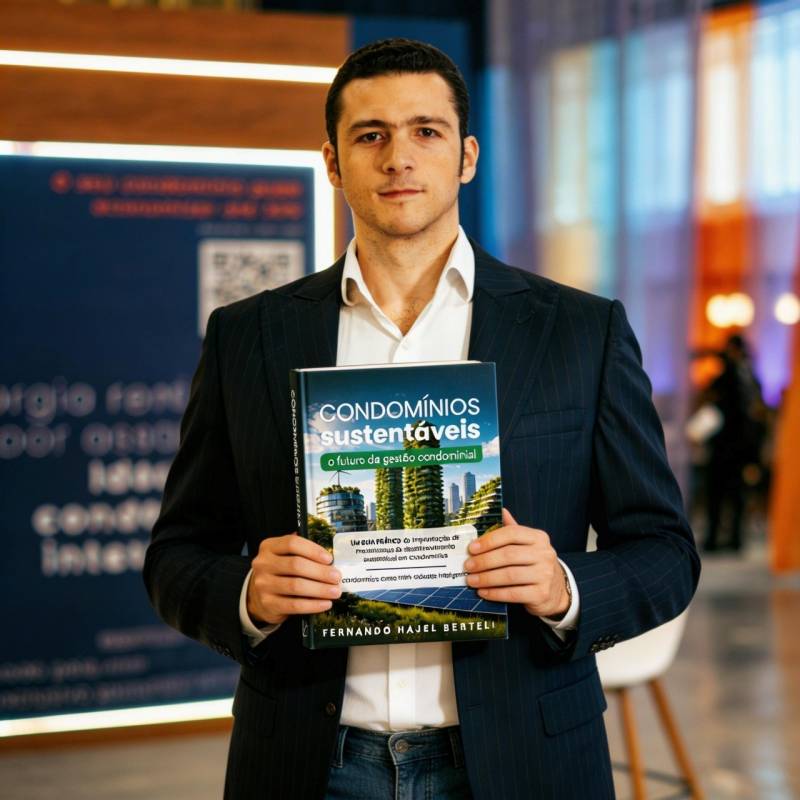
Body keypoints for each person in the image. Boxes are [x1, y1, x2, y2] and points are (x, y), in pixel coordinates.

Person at [144, 38, 700, 800]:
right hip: (309, 762)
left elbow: (666, 552)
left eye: (425, 131)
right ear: (333, 162)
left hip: (522, 761)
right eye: (370, 135)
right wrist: (247, 593)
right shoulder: (248, 337)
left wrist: (563, 585)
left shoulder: (579, 332)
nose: (398, 157)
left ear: (467, 156)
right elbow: (176, 553)